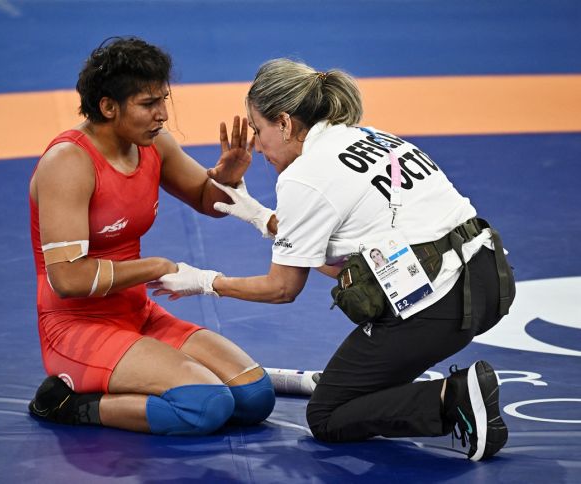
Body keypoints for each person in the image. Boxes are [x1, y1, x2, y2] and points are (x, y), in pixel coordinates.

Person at [149, 58, 516, 460]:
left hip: (438, 305)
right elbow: (335, 260)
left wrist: (202, 281)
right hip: (490, 279)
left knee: (327, 415)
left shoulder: (304, 176)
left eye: (259, 129)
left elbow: (283, 288)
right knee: (354, 376)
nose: (256, 144)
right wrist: (252, 211)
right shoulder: (372, 137)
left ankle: (454, 396)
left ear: (285, 123)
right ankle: (411, 385)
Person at [26, 37, 275, 436]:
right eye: (148, 104)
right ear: (108, 106)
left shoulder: (154, 143)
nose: (162, 115)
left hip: (136, 314)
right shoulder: (69, 164)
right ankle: (69, 404)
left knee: (254, 397)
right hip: (76, 327)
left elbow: (206, 199)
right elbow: (67, 279)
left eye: (163, 100)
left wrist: (228, 177)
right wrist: (156, 267)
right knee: (205, 406)